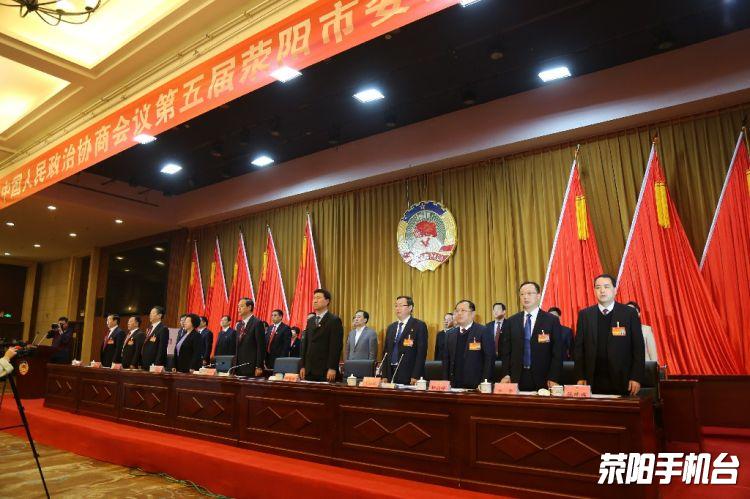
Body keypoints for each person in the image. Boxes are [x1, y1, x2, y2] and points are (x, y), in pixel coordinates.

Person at [574, 275, 645, 396]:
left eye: (606, 287)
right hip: (593, 380)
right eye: (598, 287)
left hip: (623, 379)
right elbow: (579, 349)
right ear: (594, 291)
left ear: (615, 290)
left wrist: (636, 377)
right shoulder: (585, 315)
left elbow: (638, 348)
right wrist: (580, 376)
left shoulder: (629, 313)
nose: (602, 290)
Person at [500, 282, 563, 391]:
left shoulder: (551, 320)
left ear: (538, 296)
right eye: (522, 294)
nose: (525, 297)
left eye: (529, 293)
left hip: (544, 378)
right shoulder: (511, 321)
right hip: (516, 378)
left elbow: (557, 352)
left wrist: (553, 377)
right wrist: (506, 374)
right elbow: (506, 352)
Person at [442, 300, 495, 389]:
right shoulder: (449, 334)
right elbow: (446, 360)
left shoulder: (483, 331)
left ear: (473, 314)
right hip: (454, 385)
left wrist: (485, 382)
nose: (459, 313)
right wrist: (445, 382)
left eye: (463, 310)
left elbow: (489, 359)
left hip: (476, 386)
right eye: (457, 311)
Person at [300, 289, 344, 382]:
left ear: (327, 301)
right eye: (314, 298)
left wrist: (332, 367)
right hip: (309, 369)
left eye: (318, 298)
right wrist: (303, 365)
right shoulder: (310, 321)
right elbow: (305, 345)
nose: (315, 301)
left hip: (325, 370)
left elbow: (336, 346)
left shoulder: (334, 320)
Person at [382, 296, 428, 385]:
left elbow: (421, 353)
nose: (397, 308)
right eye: (396, 306)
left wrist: (416, 375)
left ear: (410, 308)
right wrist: (384, 375)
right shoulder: (391, 327)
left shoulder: (419, 325)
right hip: (390, 373)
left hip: (409, 374)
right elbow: (386, 352)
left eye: (401, 305)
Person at [234, 298, 265, 377]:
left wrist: (259, 366)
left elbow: (260, 346)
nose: (239, 309)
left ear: (249, 307)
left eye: (241, 306)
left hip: (251, 366)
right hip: (238, 366)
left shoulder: (257, 323)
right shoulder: (239, 325)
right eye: (238, 307)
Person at [140, 306, 169, 370]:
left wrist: (157, 364)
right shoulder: (150, 328)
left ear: (159, 316)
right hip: (145, 362)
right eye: (150, 313)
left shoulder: (163, 329)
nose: (150, 315)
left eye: (153, 313)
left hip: (154, 364)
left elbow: (162, 349)